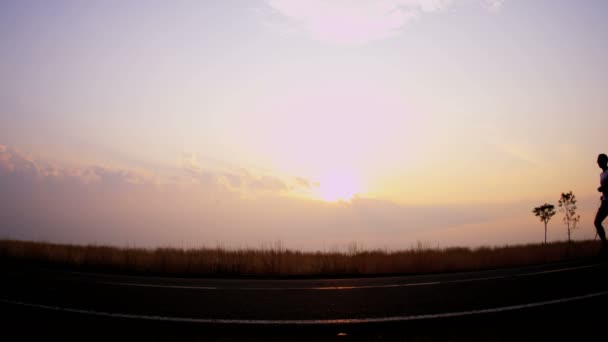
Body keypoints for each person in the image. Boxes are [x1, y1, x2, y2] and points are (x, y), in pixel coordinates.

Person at [595, 153, 608, 251]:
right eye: (598, 161)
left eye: (600, 161)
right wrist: (603, 195)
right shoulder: (602, 174)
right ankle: (605, 244)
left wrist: (603, 188)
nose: (598, 163)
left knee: (597, 222)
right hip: (605, 201)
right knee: (597, 222)